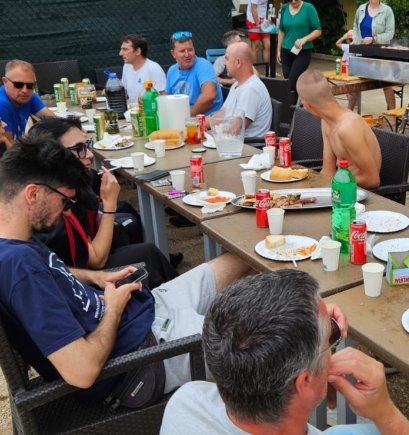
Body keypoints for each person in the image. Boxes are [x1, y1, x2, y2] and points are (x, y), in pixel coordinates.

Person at [0, 136, 251, 402]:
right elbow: (82, 372)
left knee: (244, 257)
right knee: (268, 344)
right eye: (66, 201)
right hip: (144, 356)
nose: (67, 212)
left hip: (146, 309)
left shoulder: (15, 240)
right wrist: (114, 308)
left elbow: (53, 272)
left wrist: (97, 277)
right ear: (33, 194)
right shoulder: (19, 267)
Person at [160, 269, 409, 434]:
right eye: (330, 341)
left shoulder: (186, 402)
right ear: (304, 381)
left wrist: (309, 322)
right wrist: (386, 412)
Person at [28, 116, 180, 288]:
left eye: (87, 145)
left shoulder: (70, 185)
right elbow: (96, 260)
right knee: (149, 254)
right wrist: (109, 205)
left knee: (129, 222)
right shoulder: (53, 204)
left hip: (77, 267)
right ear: (53, 155)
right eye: (79, 149)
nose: (90, 154)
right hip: (78, 282)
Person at [296, 69, 381, 189]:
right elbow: (328, 171)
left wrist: (333, 183)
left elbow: (373, 180)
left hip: (358, 194)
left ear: (307, 105)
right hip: (338, 189)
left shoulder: (348, 128)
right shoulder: (327, 122)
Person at [213, 42, 272, 138]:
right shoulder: (237, 84)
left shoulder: (251, 89)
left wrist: (213, 133)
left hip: (245, 146)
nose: (224, 63)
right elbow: (222, 113)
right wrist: (200, 124)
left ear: (238, 62)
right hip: (232, 142)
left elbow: (235, 129)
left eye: (227, 59)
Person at [351, 0, 396, 112]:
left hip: (380, 53)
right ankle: (348, 114)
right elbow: (355, 26)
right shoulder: (361, 9)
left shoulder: (387, 11)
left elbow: (390, 34)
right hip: (362, 52)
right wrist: (356, 40)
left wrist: (373, 39)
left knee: (386, 85)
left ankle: (392, 117)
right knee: (355, 85)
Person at [166, 31, 223, 116]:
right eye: (182, 51)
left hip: (207, 120)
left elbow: (209, 96)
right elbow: (168, 99)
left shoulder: (203, 65)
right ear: (173, 54)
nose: (187, 54)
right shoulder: (172, 71)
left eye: (190, 50)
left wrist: (186, 117)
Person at [0, 60, 55, 146]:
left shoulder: (29, 97)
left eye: (30, 85)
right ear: (5, 81)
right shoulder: (2, 104)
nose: (25, 90)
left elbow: (55, 120)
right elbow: (8, 148)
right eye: (18, 85)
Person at [277, 0, 322, 93]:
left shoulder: (308, 8)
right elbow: (281, 30)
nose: (293, 1)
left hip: (303, 52)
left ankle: (297, 101)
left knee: (291, 83)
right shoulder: (285, 8)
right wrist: (278, 50)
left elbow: (318, 30)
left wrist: (304, 39)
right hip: (286, 51)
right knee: (290, 84)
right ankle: (298, 101)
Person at [119, 34, 167, 105]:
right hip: (133, 110)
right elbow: (124, 92)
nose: (120, 53)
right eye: (121, 49)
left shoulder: (154, 68)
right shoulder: (126, 66)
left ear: (138, 51)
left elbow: (163, 97)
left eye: (125, 49)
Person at [246, 0, 271, 66]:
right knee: (256, 45)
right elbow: (253, 9)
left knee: (267, 45)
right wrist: (258, 25)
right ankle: (254, 69)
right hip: (253, 20)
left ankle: (267, 68)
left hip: (263, 20)